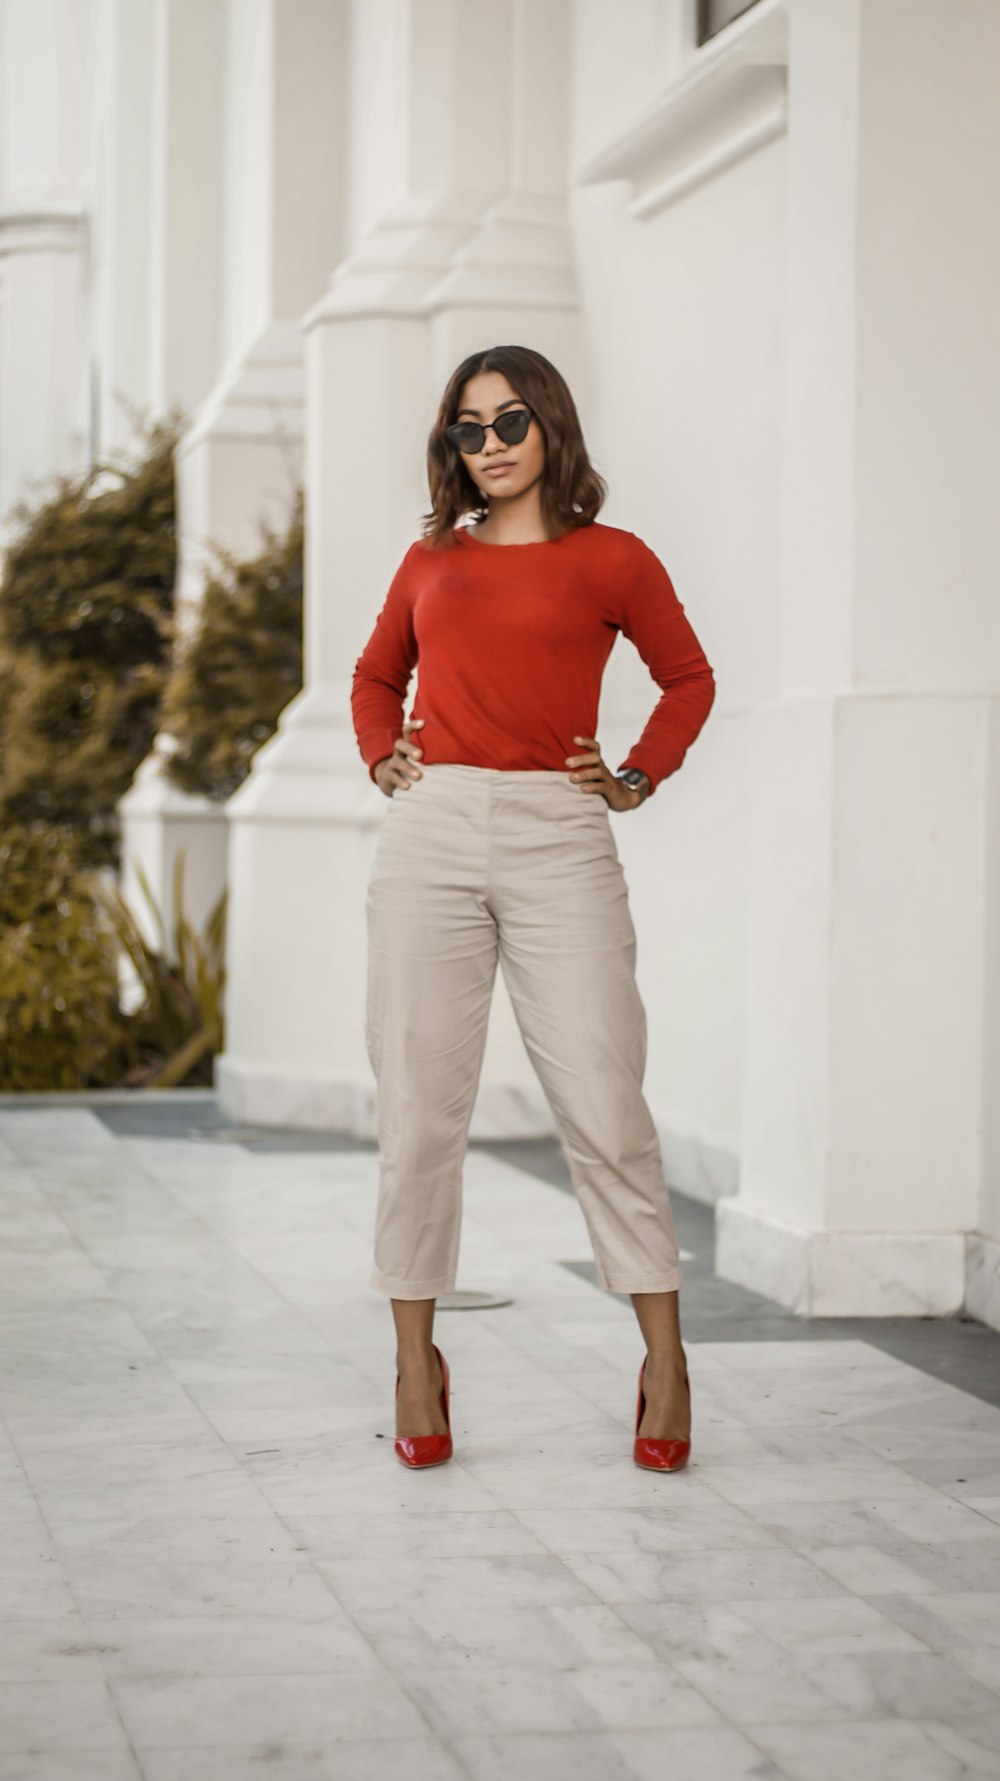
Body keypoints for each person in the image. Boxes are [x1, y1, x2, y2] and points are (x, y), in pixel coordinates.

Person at [350, 344, 716, 1474]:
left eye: (510, 421)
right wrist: (383, 756)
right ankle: (416, 1362)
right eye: (468, 428)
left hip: (561, 831)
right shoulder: (428, 560)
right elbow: (373, 677)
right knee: (417, 1113)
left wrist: (635, 774)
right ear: (450, 447)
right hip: (434, 831)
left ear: (550, 425)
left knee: (604, 1100)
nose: (491, 443)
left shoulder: (613, 558)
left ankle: (665, 1357)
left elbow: (686, 676)